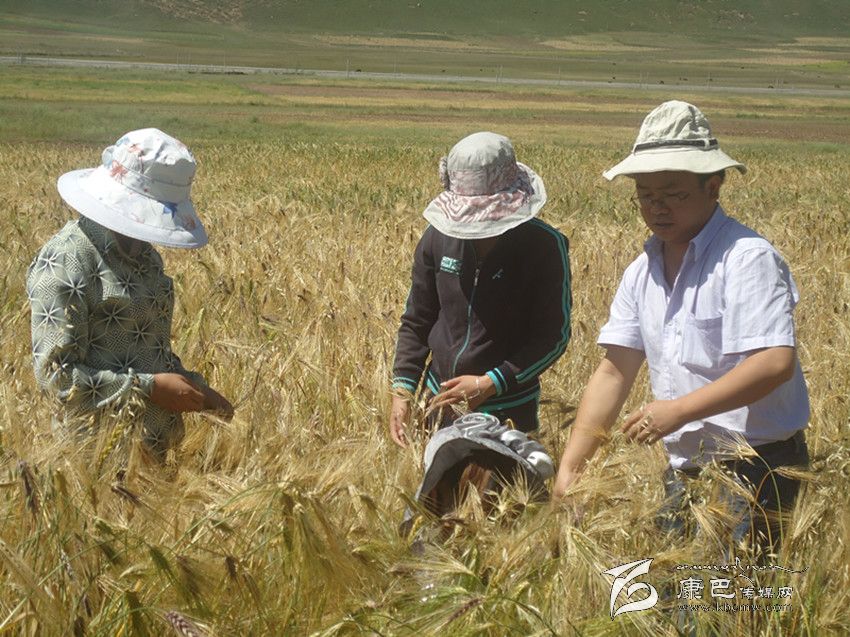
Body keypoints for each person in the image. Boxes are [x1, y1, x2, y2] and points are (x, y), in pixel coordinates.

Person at [552, 101, 810, 555]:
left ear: (713, 186)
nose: (658, 208)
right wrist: (573, 466)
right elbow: (614, 370)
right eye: (646, 195)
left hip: (759, 468)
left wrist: (680, 411)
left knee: (738, 596)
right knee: (680, 592)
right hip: (686, 467)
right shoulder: (642, 271)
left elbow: (773, 362)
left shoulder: (746, 259)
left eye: (673, 194)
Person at [27, 128, 233, 460]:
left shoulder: (146, 256)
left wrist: (196, 388)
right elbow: (56, 378)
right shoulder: (67, 260)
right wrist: (149, 388)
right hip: (96, 460)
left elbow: (149, 350)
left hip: (156, 455)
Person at [389, 131, 571, 446]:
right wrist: (403, 390)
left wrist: (490, 383)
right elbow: (417, 319)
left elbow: (553, 336)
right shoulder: (437, 238)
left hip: (508, 410)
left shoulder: (544, 246)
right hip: (437, 403)